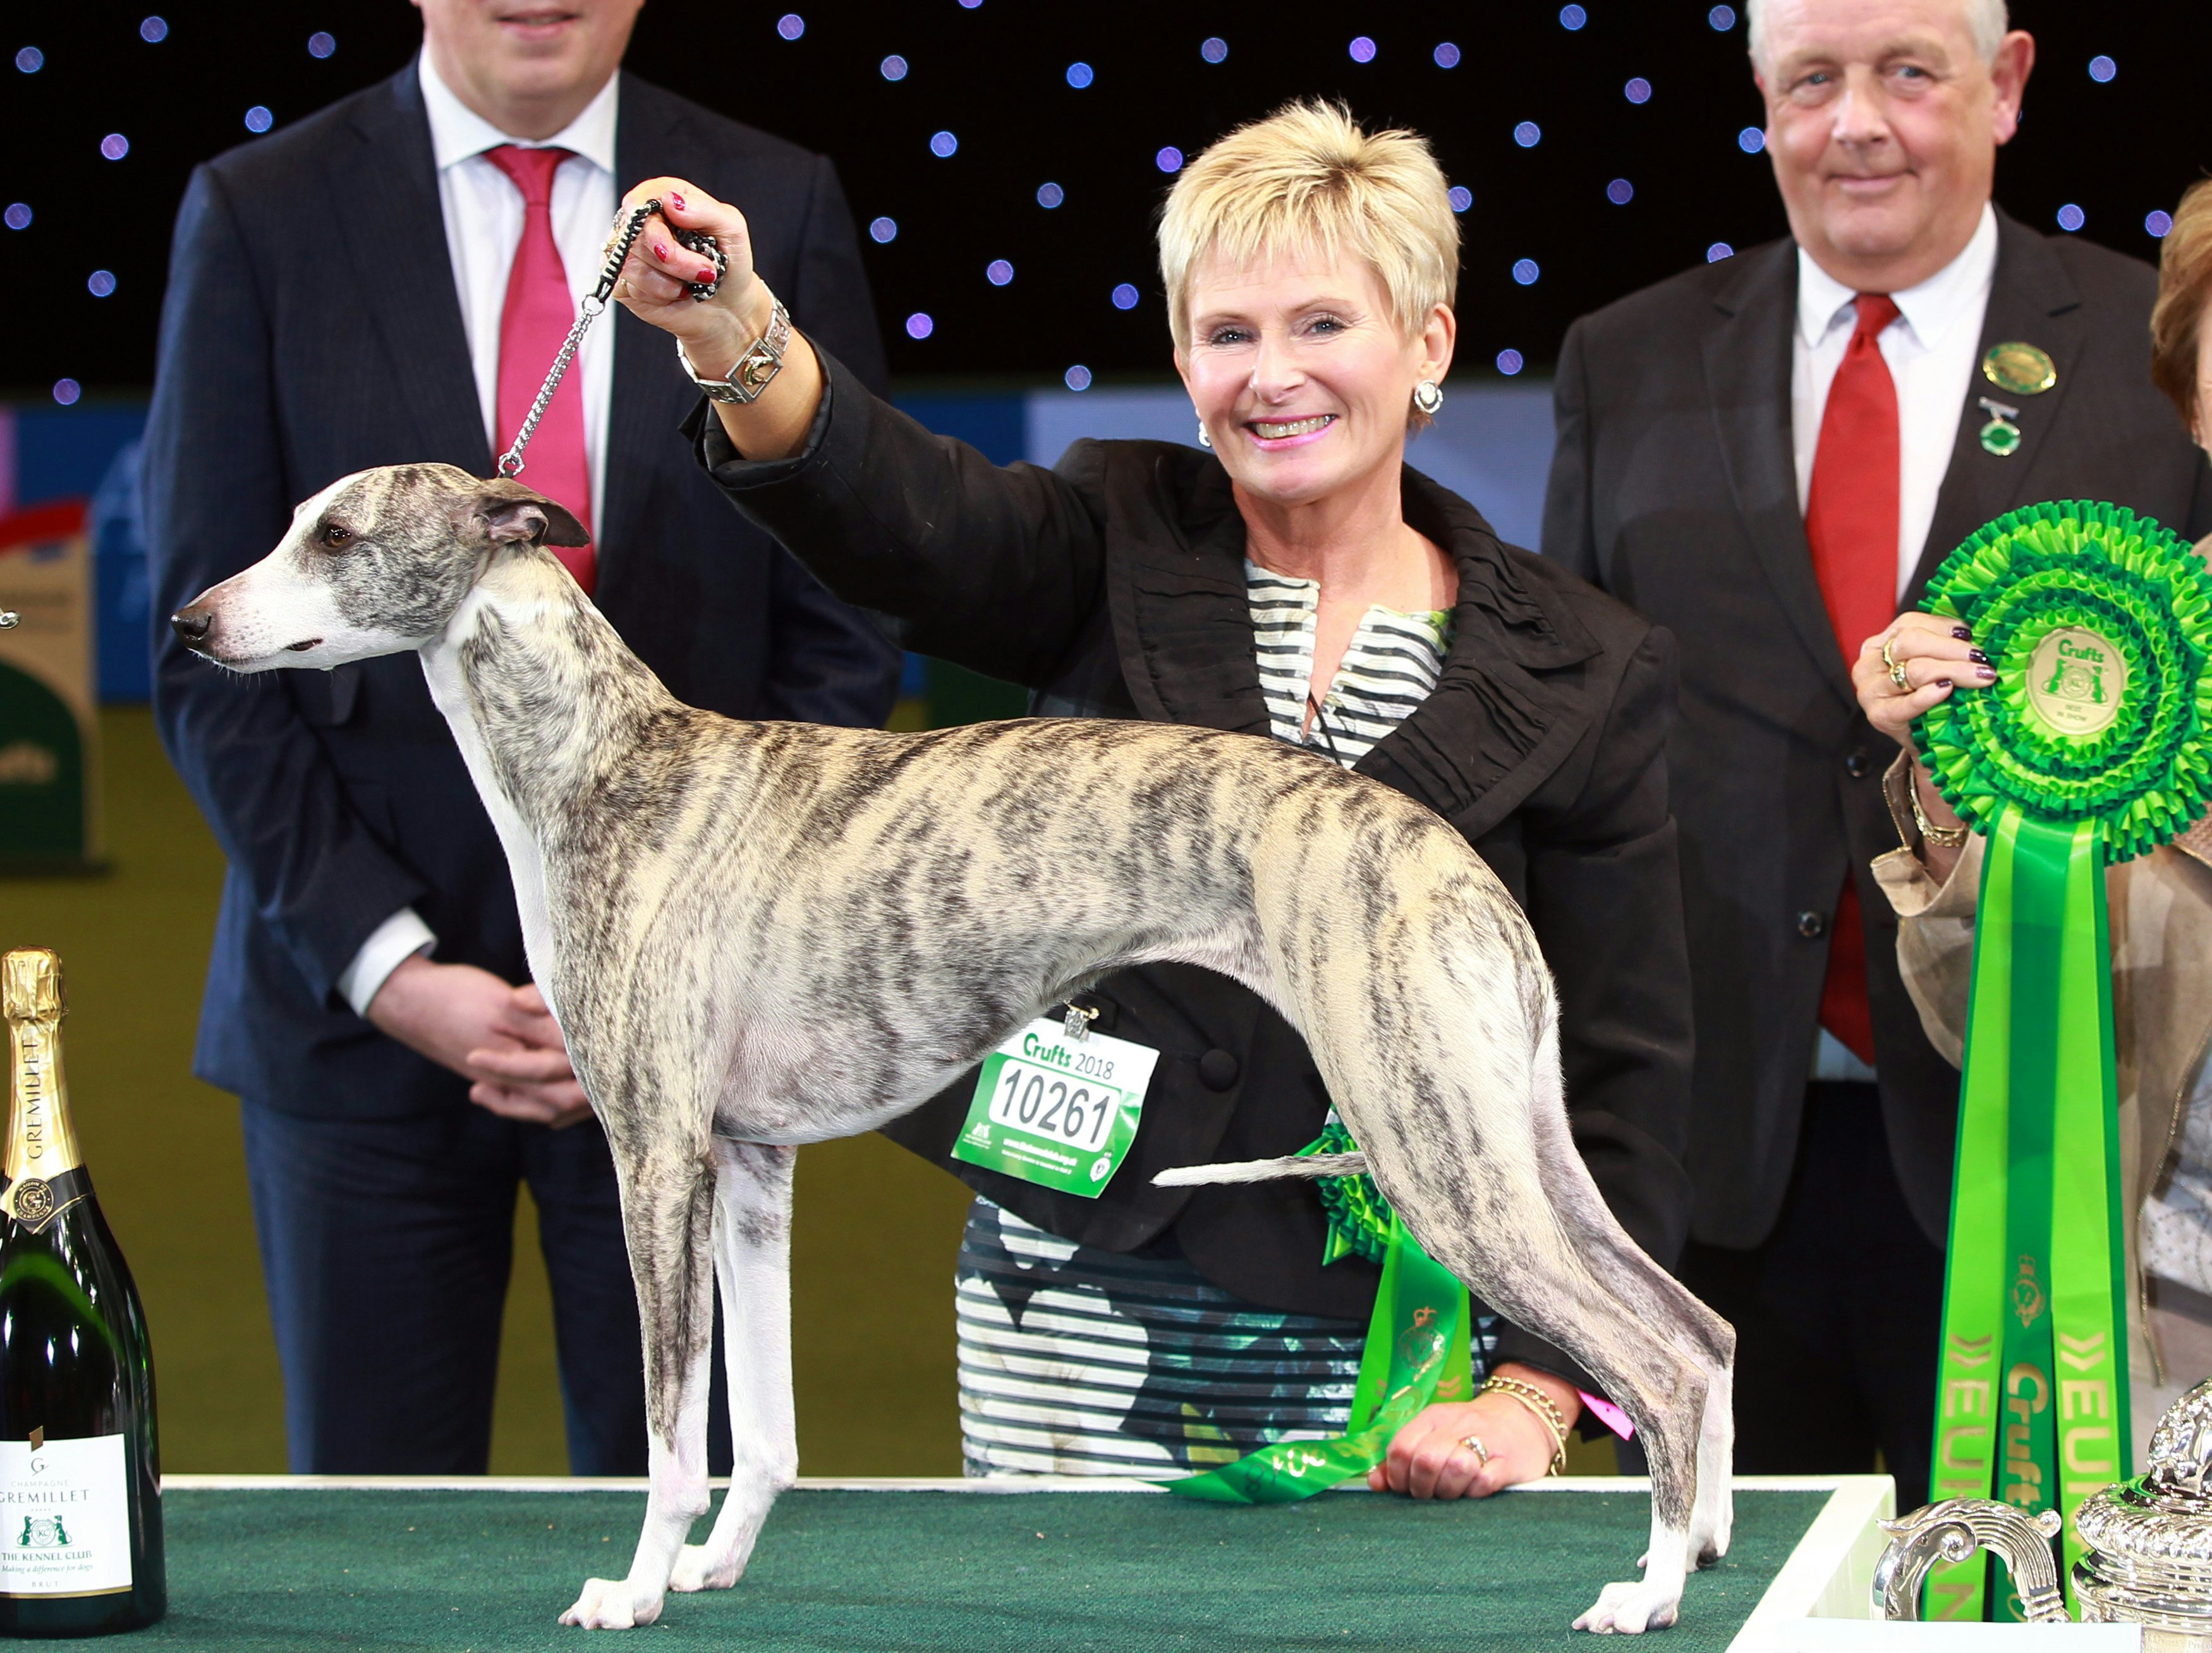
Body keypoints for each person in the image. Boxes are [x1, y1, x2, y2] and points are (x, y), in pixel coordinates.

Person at [607, 101, 1694, 1496]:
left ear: (1425, 345)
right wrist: (731, 325)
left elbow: (1620, 1080)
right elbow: (897, 511)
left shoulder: (1583, 671)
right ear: (1183, 363)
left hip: (1395, 1373)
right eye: (1226, 334)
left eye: (1321, 325)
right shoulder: (1108, 536)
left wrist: (1539, 1397)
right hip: (1066, 1335)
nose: (1271, 376)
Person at [143, 0, 899, 1474]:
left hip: (702, 1006)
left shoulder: (774, 201)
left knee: (688, 1538)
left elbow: (846, 619)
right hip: (355, 1036)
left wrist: (706, 940)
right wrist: (394, 969)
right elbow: (202, 644)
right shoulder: (257, 208)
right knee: (373, 1539)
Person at [1541, 0, 2212, 1506]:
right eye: (1812, 81)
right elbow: (1574, 765)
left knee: (2029, 1598)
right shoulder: (1622, 358)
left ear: (2009, 85)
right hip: (1706, 1166)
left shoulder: (2159, 362)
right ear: (1762, 98)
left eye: (1909, 72)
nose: (1858, 123)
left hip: (2048, 1161)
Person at [1860, 177, 2212, 1457]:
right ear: (2189, 395)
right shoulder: (2087, 674)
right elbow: (1977, 1032)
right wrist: (1950, 789)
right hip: (2166, 1347)